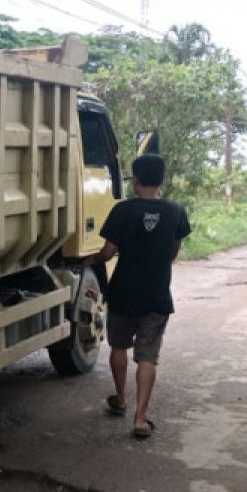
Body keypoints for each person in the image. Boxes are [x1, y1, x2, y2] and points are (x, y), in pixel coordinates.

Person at [83, 154, 191, 439]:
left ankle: (120, 399)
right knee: (148, 357)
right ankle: (140, 419)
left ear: (136, 179)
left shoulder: (122, 210)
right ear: (161, 179)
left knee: (119, 346)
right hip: (156, 294)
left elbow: (107, 253)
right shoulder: (176, 212)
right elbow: (173, 253)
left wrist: (89, 260)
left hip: (123, 292)